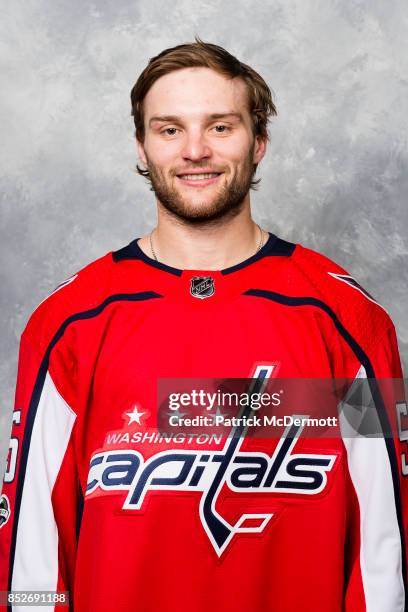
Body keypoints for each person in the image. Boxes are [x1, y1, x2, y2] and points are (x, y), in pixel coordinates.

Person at [0, 36, 407, 612]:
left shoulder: (347, 321)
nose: (195, 150)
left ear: (259, 141)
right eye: (169, 129)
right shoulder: (68, 323)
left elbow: (383, 546)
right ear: (141, 147)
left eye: (221, 127)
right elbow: (33, 544)